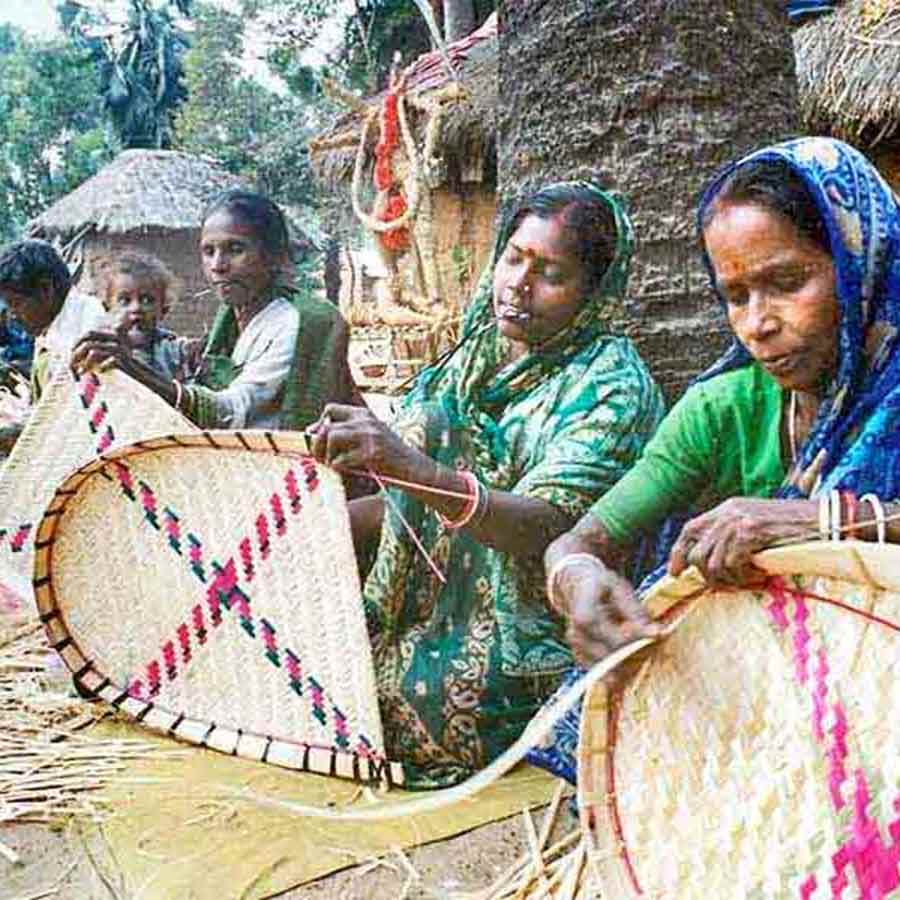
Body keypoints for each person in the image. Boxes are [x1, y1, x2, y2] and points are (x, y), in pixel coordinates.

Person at [309, 181, 664, 788]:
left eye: (552, 274)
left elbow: (551, 527)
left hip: (533, 633)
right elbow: (406, 507)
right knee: (321, 671)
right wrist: (309, 526)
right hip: (423, 614)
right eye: (514, 258)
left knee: (426, 715)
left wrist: (410, 464)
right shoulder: (475, 356)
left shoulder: (612, 387)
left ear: (594, 292)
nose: (519, 284)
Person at [543, 136, 900, 708]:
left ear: (860, 261)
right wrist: (578, 579)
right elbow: (579, 540)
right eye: (736, 296)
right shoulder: (725, 407)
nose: (758, 323)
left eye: (787, 282)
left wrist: (820, 520)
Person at [73, 189, 359, 431]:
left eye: (235, 249)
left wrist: (134, 369)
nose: (217, 266)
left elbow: (230, 412)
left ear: (274, 255)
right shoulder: (231, 324)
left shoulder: (295, 324)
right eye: (208, 251)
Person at [0, 239, 106, 400]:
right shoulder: (52, 322)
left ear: (45, 289)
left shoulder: (87, 327)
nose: (12, 315)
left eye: (16, 303)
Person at [98, 251, 199, 382]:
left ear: (163, 310)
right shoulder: (100, 351)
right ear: (107, 308)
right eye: (124, 301)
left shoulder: (175, 353)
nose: (136, 308)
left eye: (147, 300)